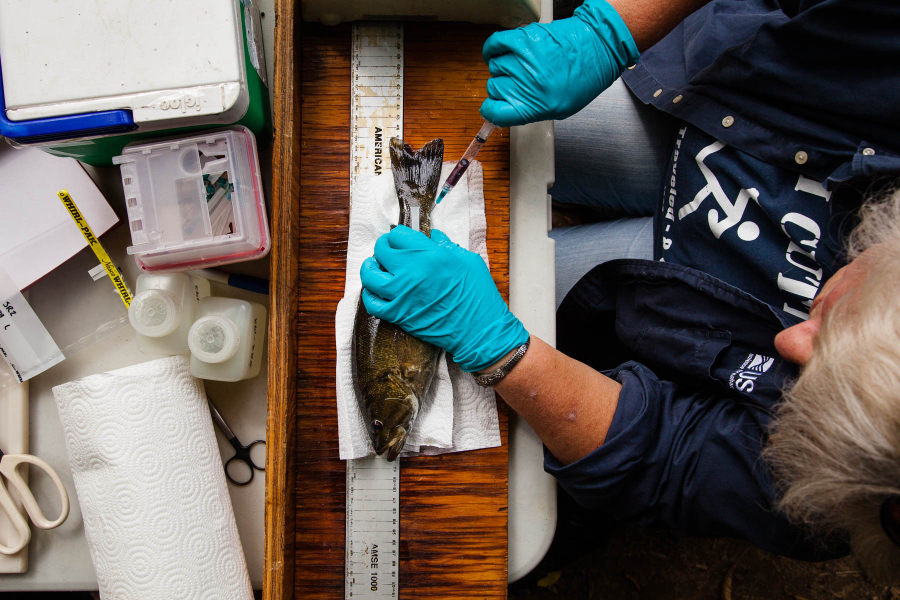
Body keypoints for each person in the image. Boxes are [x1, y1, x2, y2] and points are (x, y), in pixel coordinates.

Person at [358, 0, 900, 581]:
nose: (789, 340)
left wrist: (498, 349)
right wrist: (612, 29)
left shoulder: (848, 485)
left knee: (507, 281)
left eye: (811, 381)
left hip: (666, 296)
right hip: (713, 106)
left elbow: (667, 461)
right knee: (462, 95)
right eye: (832, 326)